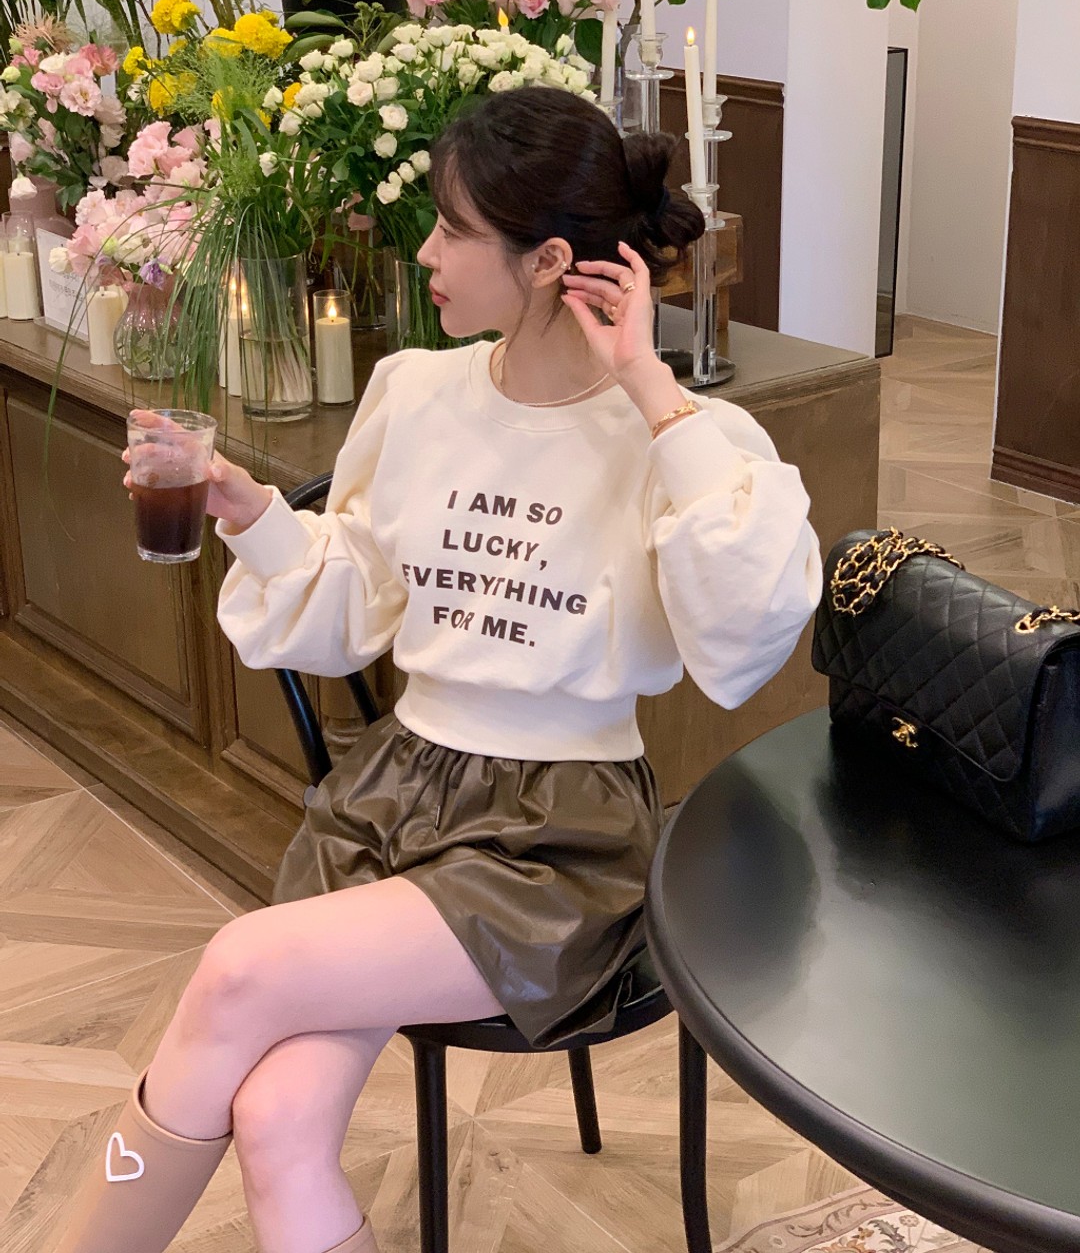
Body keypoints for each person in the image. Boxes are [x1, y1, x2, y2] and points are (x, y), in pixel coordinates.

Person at [63, 85, 822, 1253]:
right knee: (276, 1115)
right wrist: (252, 512)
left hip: (557, 839)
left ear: (549, 260)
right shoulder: (416, 392)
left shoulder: (677, 434)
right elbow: (353, 608)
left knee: (236, 967)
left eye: (454, 228)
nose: (424, 252)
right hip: (395, 795)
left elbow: (745, 633)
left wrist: (652, 388)